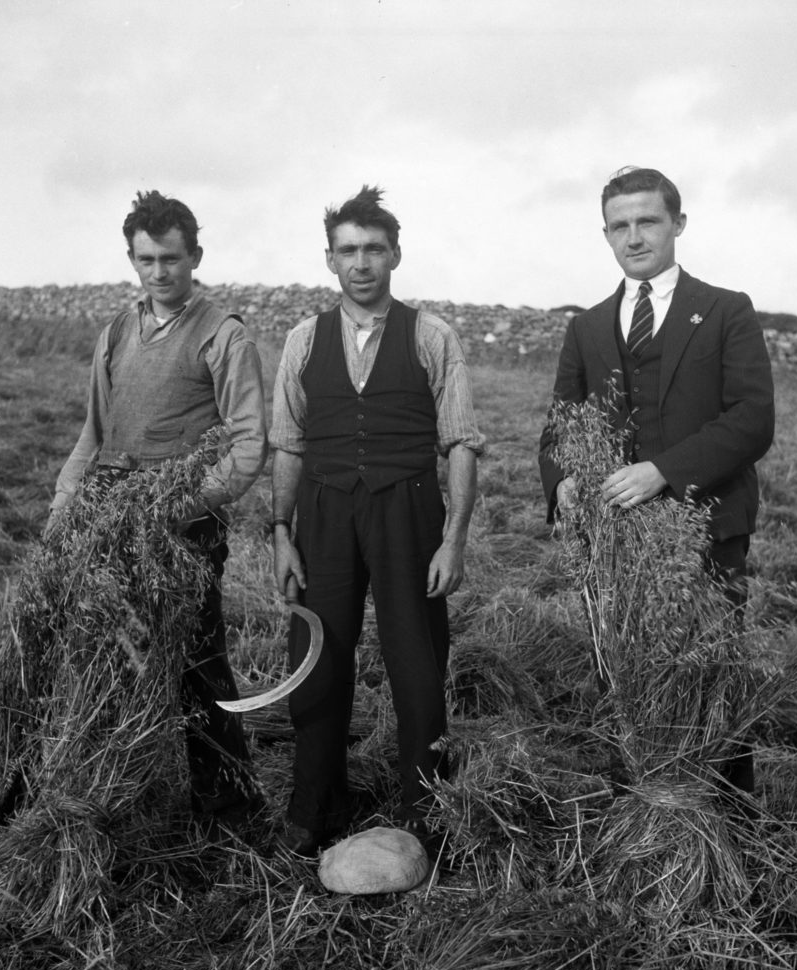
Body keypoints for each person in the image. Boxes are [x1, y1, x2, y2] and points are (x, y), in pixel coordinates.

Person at [538, 166, 775, 793]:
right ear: (606, 234)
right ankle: (642, 811)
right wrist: (562, 483)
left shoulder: (726, 311)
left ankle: (727, 822)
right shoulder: (586, 326)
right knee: (624, 676)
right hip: (614, 541)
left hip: (706, 531)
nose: (634, 236)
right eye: (620, 225)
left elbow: (753, 421)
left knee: (712, 673)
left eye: (648, 221)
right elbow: (560, 426)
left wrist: (663, 473)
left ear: (678, 224)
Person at [270, 185, 485, 855]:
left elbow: (460, 444)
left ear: (395, 254)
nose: (361, 263)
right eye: (347, 251)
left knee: (417, 660)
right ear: (329, 260)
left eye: (373, 249)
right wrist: (281, 531)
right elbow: (288, 443)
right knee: (315, 657)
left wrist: (453, 539)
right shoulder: (304, 339)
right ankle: (316, 803)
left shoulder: (430, 335)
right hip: (326, 511)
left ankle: (425, 808)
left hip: (407, 507)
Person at [47, 189, 269, 820]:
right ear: (132, 260)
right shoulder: (116, 333)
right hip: (109, 515)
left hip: (181, 522)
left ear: (195, 255)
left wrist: (182, 506)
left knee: (196, 662)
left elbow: (250, 443)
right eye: (146, 260)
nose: (159, 272)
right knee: (111, 658)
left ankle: (228, 808)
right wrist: (66, 503)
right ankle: (121, 801)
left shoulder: (223, 337)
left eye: (171, 258)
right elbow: (95, 432)